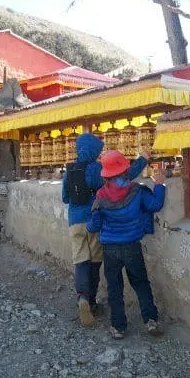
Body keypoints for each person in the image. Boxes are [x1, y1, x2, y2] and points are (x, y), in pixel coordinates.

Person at [62, 133, 149, 327]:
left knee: (80, 260)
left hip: (74, 222)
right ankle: (92, 303)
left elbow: (65, 198)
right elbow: (122, 176)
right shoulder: (95, 168)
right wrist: (143, 159)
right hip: (93, 219)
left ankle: (82, 297)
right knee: (94, 261)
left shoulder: (69, 170)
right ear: (93, 150)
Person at [87, 150, 165, 340]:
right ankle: (150, 320)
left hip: (110, 249)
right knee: (140, 283)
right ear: (125, 170)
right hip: (132, 246)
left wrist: (90, 220)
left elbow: (93, 226)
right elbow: (155, 205)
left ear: (106, 174)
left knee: (114, 288)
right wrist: (160, 185)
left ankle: (118, 327)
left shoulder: (101, 195)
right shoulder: (136, 191)